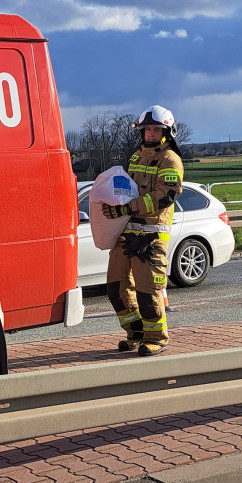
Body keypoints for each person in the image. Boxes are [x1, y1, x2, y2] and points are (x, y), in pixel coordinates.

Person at [102, 105, 184, 356]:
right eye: (146, 130)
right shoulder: (136, 157)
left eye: (155, 130)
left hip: (151, 236)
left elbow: (163, 198)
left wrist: (127, 208)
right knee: (115, 286)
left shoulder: (170, 160)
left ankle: (157, 337)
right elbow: (126, 188)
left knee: (147, 289)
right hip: (127, 232)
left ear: (166, 132)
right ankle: (135, 332)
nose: (149, 134)